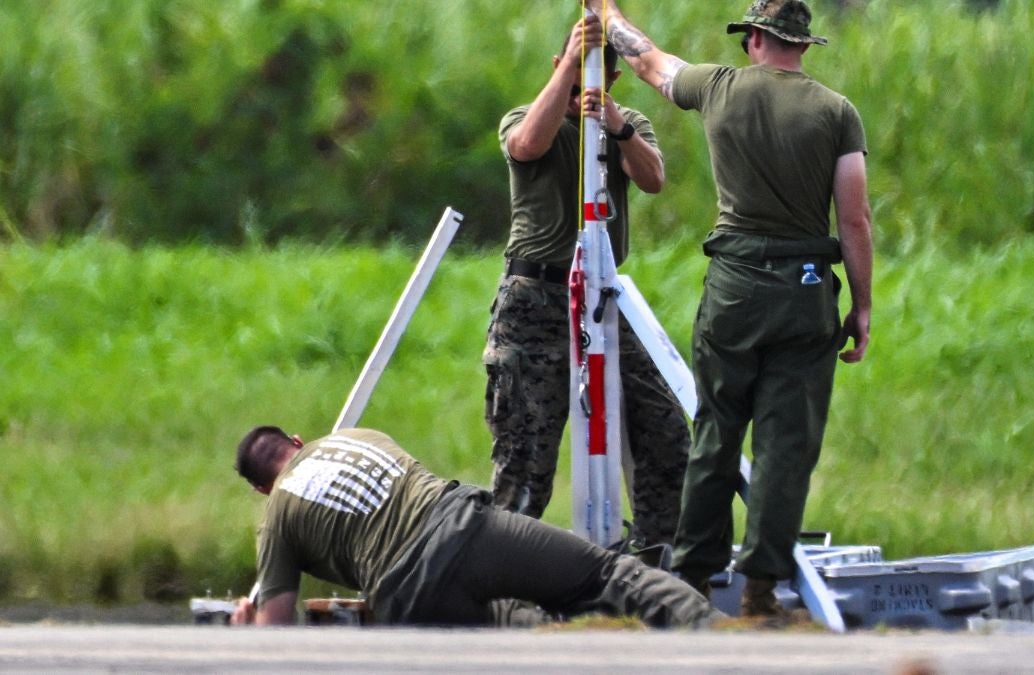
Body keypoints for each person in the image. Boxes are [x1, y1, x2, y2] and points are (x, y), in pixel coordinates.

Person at [581, 0, 874, 616]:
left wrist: (607, 16)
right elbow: (854, 217)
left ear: (755, 40)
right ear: (801, 45)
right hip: (804, 290)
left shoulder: (717, 87)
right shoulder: (837, 112)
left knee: (715, 432)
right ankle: (761, 588)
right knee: (785, 447)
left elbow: (649, 62)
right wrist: (863, 305)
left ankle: (690, 578)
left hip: (734, 289)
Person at [483, 14, 690, 548]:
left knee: (665, 428)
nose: (582, 93)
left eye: (591, 82)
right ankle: (507, 572)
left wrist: (616, 123)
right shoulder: (527, 116)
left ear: (612, 82)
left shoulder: (628, 124)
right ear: (558, 69)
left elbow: (653, 179)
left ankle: (651, 562)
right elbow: (528, 145)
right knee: (526, 452)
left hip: (604, 296)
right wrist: (573, 67)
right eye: (573, 80)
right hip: (536, 299)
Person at [229, 426, 720, 628]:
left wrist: (247, 632)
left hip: (406, 595)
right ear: (297, 438)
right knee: (607, 576)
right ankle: (716, 635)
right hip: (465, 529)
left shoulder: (275, 518)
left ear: (260, 489)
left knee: (515, 632)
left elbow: (277, 630)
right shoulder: (357, 436)